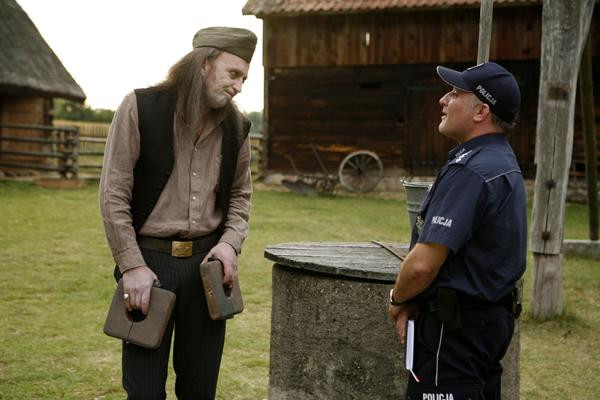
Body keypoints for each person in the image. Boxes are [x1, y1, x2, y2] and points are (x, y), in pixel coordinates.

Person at [99, 26, 257, 399]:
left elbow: (240, 196)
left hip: (208, 267)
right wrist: (132, 266)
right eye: (233, 73)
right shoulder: (140, 107)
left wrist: (230, 245)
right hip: (148, 265)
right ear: (204, 64)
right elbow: (113, 195)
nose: (239, 86)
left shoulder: (238, 126)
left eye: (244, 78)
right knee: (144, 392)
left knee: (201, 390)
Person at [388, 62, 526, 400]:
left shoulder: (472, 170)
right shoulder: (500, 161)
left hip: (455, 333)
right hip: (487, 325)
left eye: (454, 93)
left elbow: (422, 265)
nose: (443, 100)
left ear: (481, 111)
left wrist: (398, 299)